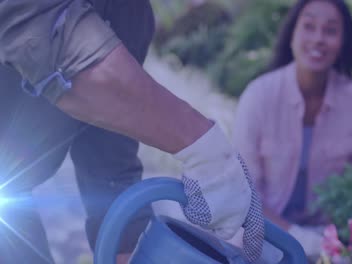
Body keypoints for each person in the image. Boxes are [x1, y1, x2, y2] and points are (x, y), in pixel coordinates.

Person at [0, 0, 263, 263]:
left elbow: (108, 163)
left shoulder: (131, 15)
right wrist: (204, 150)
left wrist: (132, 248)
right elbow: (44, 30)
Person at [233, 0, 352, 259]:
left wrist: (336, 239)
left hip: (328, 240)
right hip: (261, 234)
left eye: (330, 30)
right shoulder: (258, 97)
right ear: (292, 35)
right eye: (309, 26)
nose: (318, 39)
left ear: (343, 42)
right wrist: (297, 238)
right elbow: (243, 194)